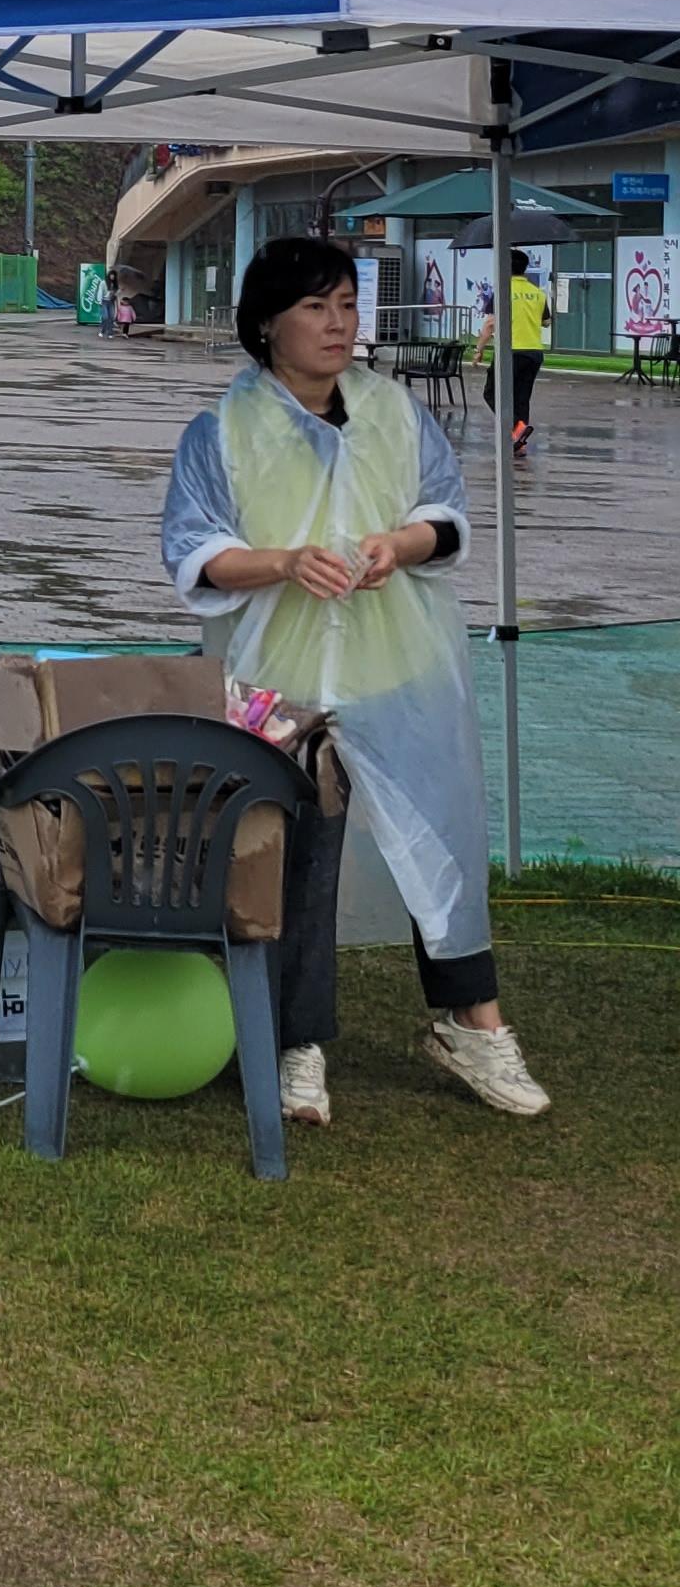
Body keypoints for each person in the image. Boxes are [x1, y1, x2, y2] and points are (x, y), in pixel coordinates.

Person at [162, 234, 549, 1125]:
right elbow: (193, 550)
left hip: (399, 662)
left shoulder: (394, 412)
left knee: (440, 836)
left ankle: (474, 1023)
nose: (339, 323)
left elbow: (445, 515)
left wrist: (398, 545)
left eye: (346, 304)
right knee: (296, 850)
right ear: (267, 324)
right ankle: (297, 1043)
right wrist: (284, 562)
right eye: (315, 307)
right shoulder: (221, 432)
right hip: (277, 677)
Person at [474, 249, 552, 452]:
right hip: (533, 352)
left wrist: (479, 349)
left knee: (492, 393)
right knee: (522, 398)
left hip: (510, 352)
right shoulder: (538, 293)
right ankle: (519, 443)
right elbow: (546, 322)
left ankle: (517, 430)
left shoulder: (503, 291)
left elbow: (490, 324)